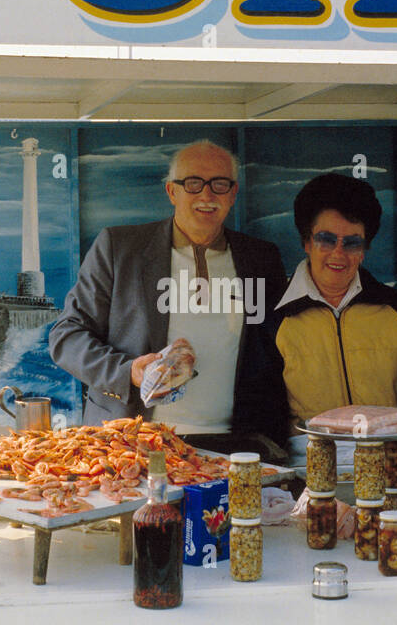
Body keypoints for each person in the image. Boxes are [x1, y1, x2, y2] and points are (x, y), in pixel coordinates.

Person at [49, 140, 289, 454]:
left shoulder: (260, 258)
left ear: (233, 193)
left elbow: (277, 349)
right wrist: (130, 371)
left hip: (236, 447)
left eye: (219, 184)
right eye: (193, 183)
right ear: (172, 192)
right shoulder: (120, 249)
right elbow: (66, 337)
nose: (207, 195)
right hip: (136, 444)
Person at [270, 172, 397, 439]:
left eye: (352, 242)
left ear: (364, 248)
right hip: (309, 465)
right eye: (326, 239)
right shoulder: (271, 318)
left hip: (390, 463)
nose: (338, 253)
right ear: (306, 242)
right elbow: (261, 415)